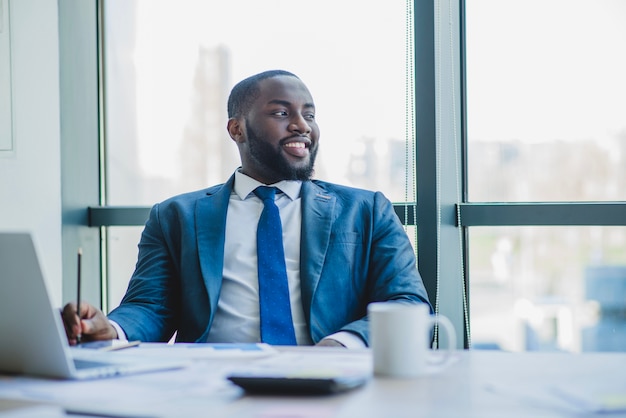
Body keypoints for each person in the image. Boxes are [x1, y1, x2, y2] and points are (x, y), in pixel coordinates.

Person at [62, 69, 432, 348]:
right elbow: (149, 307)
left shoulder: (367, 210)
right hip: (212, 386)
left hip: (329, 381)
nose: (302, 125)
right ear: (237, 129)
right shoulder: (176, 216)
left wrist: (342, 346)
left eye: (309, 114)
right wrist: (110, 329)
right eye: (281, 113)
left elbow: (409, 302)